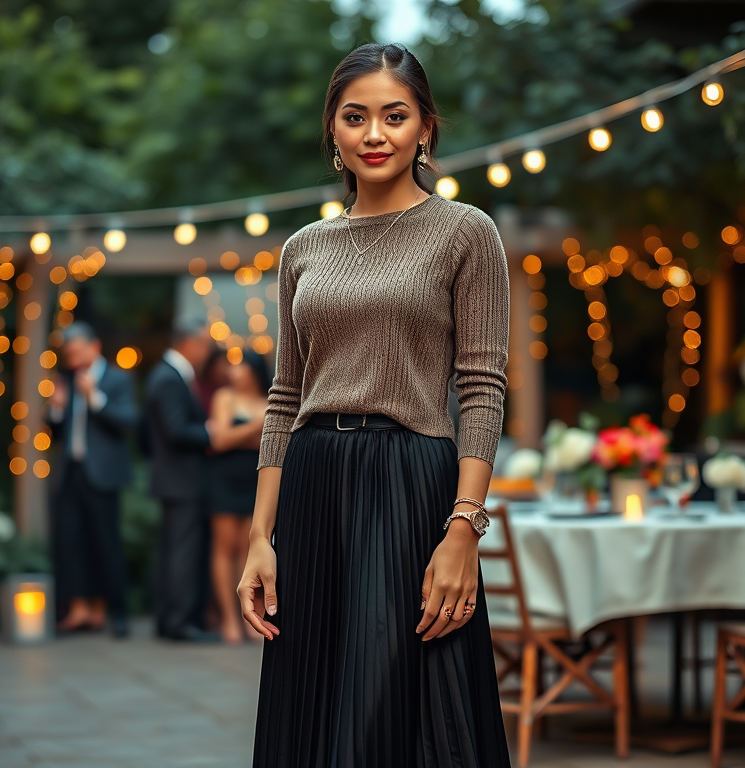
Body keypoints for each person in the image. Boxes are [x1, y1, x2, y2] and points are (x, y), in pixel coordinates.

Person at [238, 44, 512, 766]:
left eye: (395, 115)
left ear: (426, 127)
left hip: (411, 483)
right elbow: (283, 398)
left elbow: (482, 387)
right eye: (355, 116)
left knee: (397, 710)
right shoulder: (302, 248)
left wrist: (464, 528)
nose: (375, 133)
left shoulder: (465, 232)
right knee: (316, 708)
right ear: (333, 129)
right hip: (314, 486)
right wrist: (260, 537)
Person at [47, 322, 137, 639]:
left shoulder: (117, 379)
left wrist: (94, 398)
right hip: (70, 472)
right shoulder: (66, 381)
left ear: (93, 347)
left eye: (74, 351)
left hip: (102, 475)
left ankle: (117, 614)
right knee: (69, 542)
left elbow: (128, 421)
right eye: (66, 353)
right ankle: (78, 609)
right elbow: (56, 433)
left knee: (105, 544)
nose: (70, 358)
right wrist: (56, 410)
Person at [145, 317, 224, 643]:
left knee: (174, 552)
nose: (208, 351)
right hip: (180, 480)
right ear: (189, 342)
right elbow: (175, 429)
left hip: (175, 480)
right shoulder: (168, 377)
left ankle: (170, 618)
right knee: (182, 553)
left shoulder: (168, 375)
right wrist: (210, 431)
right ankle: (179, 622)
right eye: (205, 343)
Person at [207, 349, 270, 643]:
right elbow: (220, 439)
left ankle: (250, 619)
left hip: (256, 478)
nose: (234, 371)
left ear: (254, 369)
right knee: (224, 547)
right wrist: (258, 426)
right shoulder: (224, 397)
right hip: (224, 477)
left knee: (250, 549)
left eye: (240, 365)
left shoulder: (269, 399)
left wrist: (242, 433)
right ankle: (229, 619)